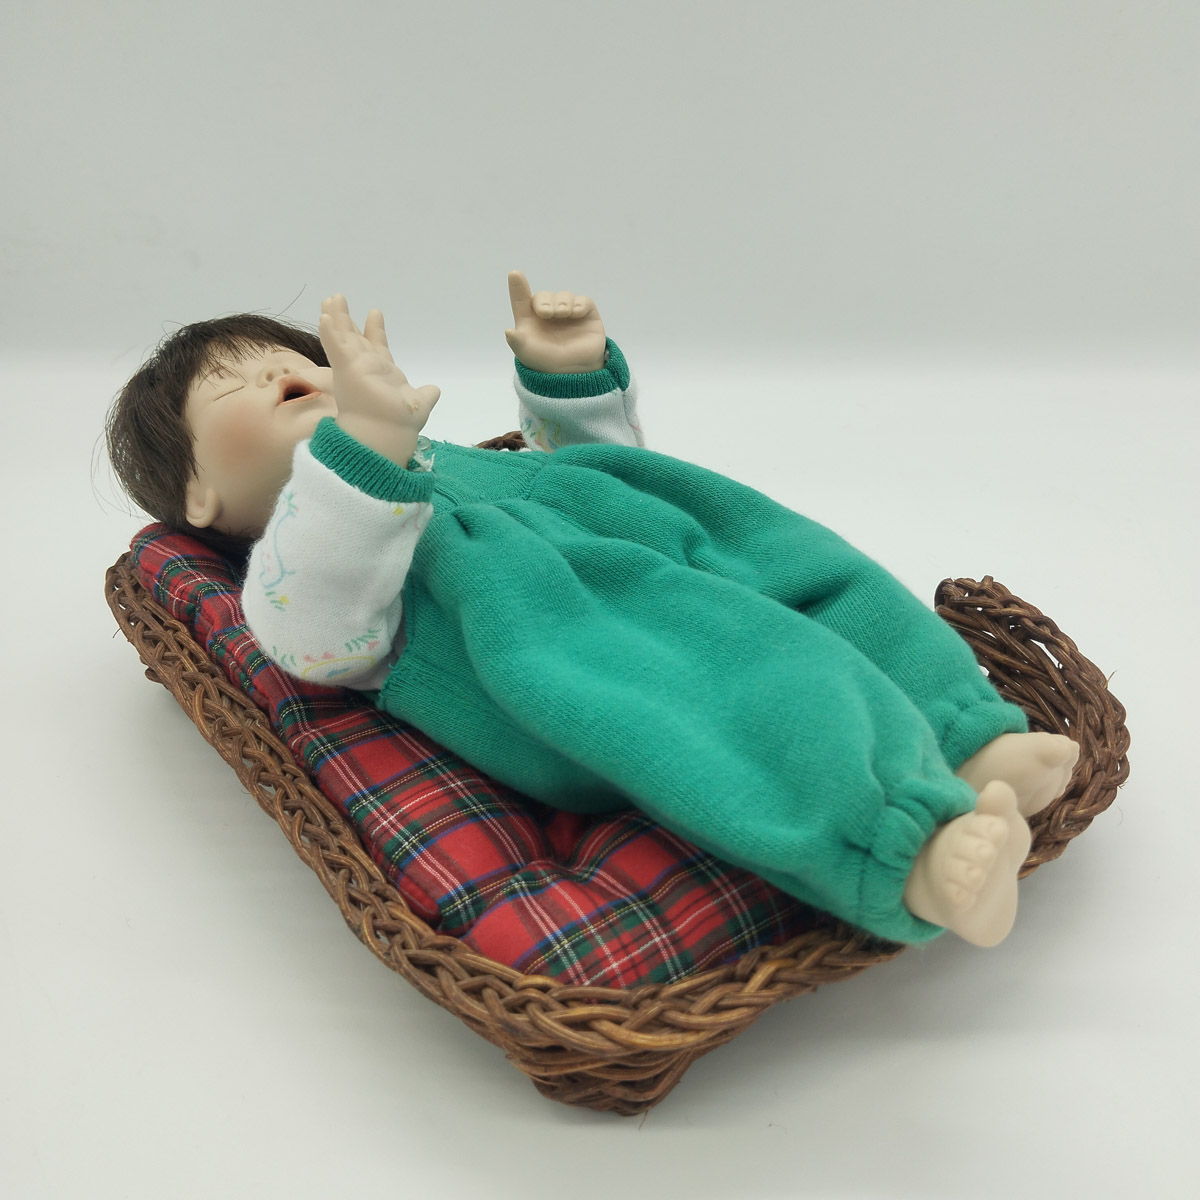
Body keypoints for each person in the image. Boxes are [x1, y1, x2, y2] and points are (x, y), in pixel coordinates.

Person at [107, 271, 1079, 948]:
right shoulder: (301, 567)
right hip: (588, 668)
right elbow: (312, 634)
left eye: (295, 361)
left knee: (817, 574)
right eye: (230, 387)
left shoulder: (444, 462)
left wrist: (567, 381)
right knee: (760, 698)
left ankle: (964, 737)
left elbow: (587, 478)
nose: (279, 374)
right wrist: (360, 448)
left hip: (668, 553)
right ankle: (907, 855)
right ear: (198, 496)